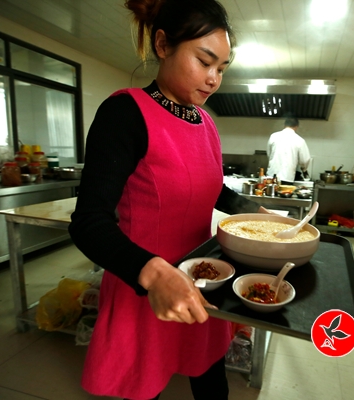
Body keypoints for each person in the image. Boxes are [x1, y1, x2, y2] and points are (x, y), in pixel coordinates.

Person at [68, 1, 263, 399]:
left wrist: (259, 216)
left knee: (212, 384)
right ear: (162, 44)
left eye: (222, 68)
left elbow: (210, 188)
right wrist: (155, 275)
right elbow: (89, 222)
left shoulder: (205, 122)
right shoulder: (124, 113)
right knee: (144, 386)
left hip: (202, 280)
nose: (213, 79)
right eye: (204, 61)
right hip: (143, 283)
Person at [266, 115, 311, 183]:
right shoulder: (299, 140)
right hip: (287, 178)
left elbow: (269, 154)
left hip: (271, 177)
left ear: (284, 125)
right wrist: (304, 169)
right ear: (296, 127)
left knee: (271, 190)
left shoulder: (273, 136)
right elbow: (305, 160)